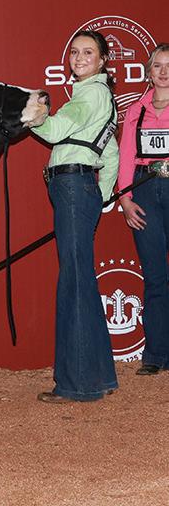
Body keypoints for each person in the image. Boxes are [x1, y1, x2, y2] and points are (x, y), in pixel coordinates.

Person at [32, 30, 119, 403]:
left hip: (71, 188)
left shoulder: (90, 94)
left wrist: (34, 115)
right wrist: (101, 196)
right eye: (75, 52)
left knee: (75, 282)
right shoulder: (101, 95)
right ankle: (98, 375)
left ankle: (78, 384)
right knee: (82, 278)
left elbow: (55, 131)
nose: (80, 58)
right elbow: (110, 153)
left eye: (88, 52)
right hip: (80, 190)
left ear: (102, 60)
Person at [117, 43, 169, 376]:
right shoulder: (136, 110)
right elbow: (125, 154)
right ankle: (156, 355)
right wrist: (124, 198)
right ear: (148, 72)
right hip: (146, 188)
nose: (164, 72)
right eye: (158, 66)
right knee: (155, 275)